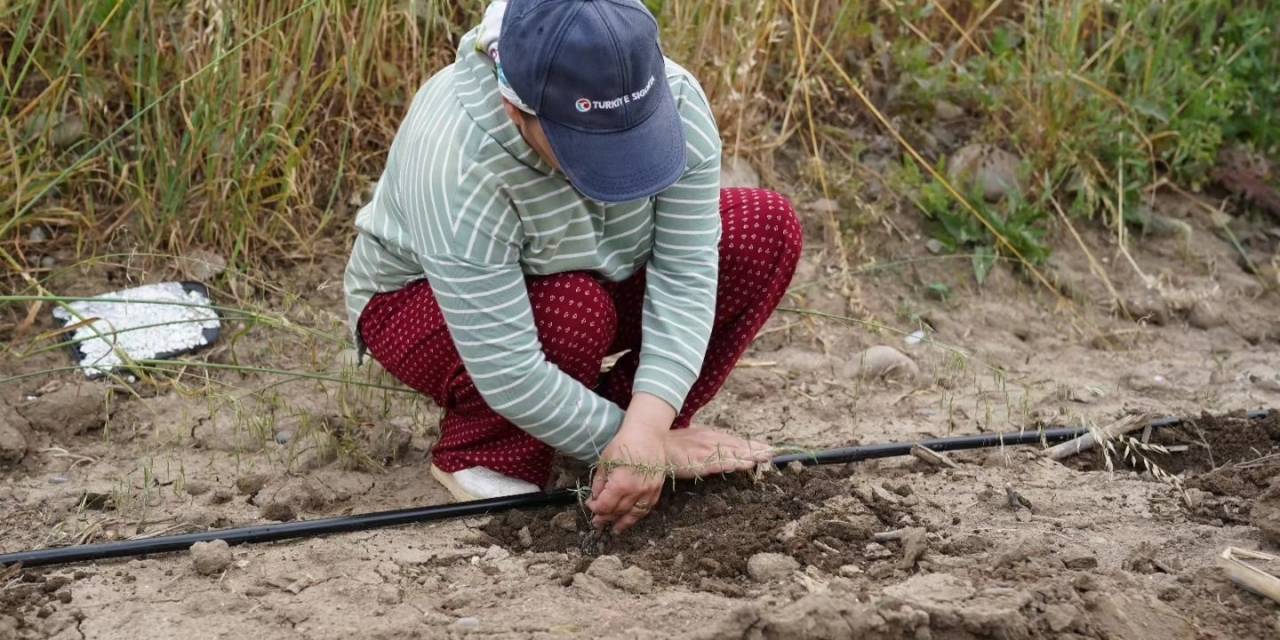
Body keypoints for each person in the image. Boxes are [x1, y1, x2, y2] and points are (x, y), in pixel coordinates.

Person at [343, 0, 802, 534]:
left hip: (598, 272)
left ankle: (617, 438)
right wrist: (653, 450)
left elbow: (685, 273)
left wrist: (647, 428)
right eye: (590, 147)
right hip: (425, 305)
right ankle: (490, 451)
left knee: (764, 228)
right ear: (516, 109)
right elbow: (508, 366)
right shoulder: (456, 156)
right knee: (572, 307)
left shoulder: (677, 97)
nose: (621, 167)